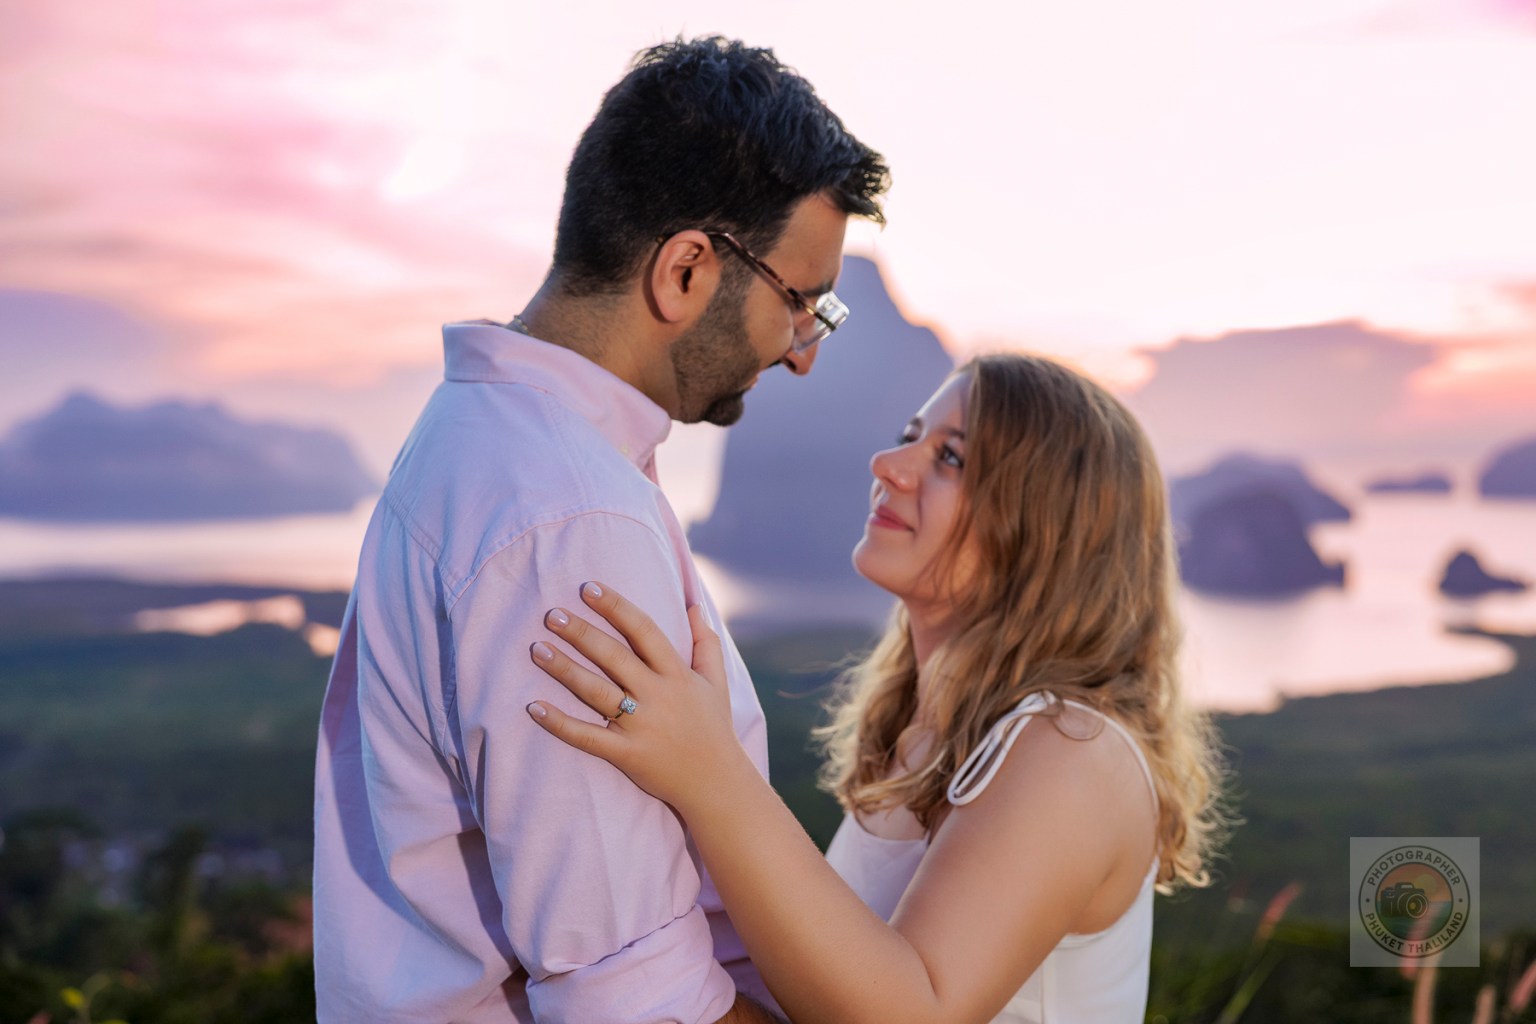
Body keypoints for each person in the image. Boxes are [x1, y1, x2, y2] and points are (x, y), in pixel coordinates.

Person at [311, 37, 888, 1023]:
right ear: (688, 271)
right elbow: (635, 999)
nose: (802, 353)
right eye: (799, 302)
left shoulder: (495, 442)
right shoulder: (566, 521)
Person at [526, 354, 1229, 1023]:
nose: (887, 465)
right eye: (910, 437)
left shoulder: (1072, 749)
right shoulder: (929, 738)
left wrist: (709, 771)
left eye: (950, 458)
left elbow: (912, 1012)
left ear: (1049, 531)